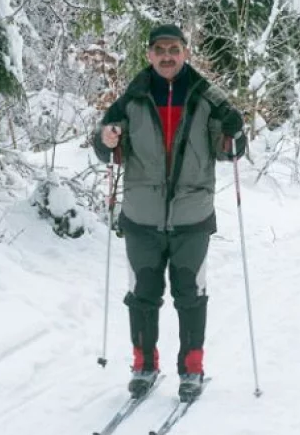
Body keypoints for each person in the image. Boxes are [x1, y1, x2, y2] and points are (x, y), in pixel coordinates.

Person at [92, 24, 246, 402]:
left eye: (173, 49)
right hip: (141, 215)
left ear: (185, 52)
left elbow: (229, 151)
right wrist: (105, 139)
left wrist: (235, 132)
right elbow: (107, 147)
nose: (166, 56)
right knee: (142, 296)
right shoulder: (132, 98)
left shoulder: (208, 97)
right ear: (148, 54)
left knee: (190, 295)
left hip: (192, 216)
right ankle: (144, 365)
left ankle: (191, 368)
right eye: (159, 49)